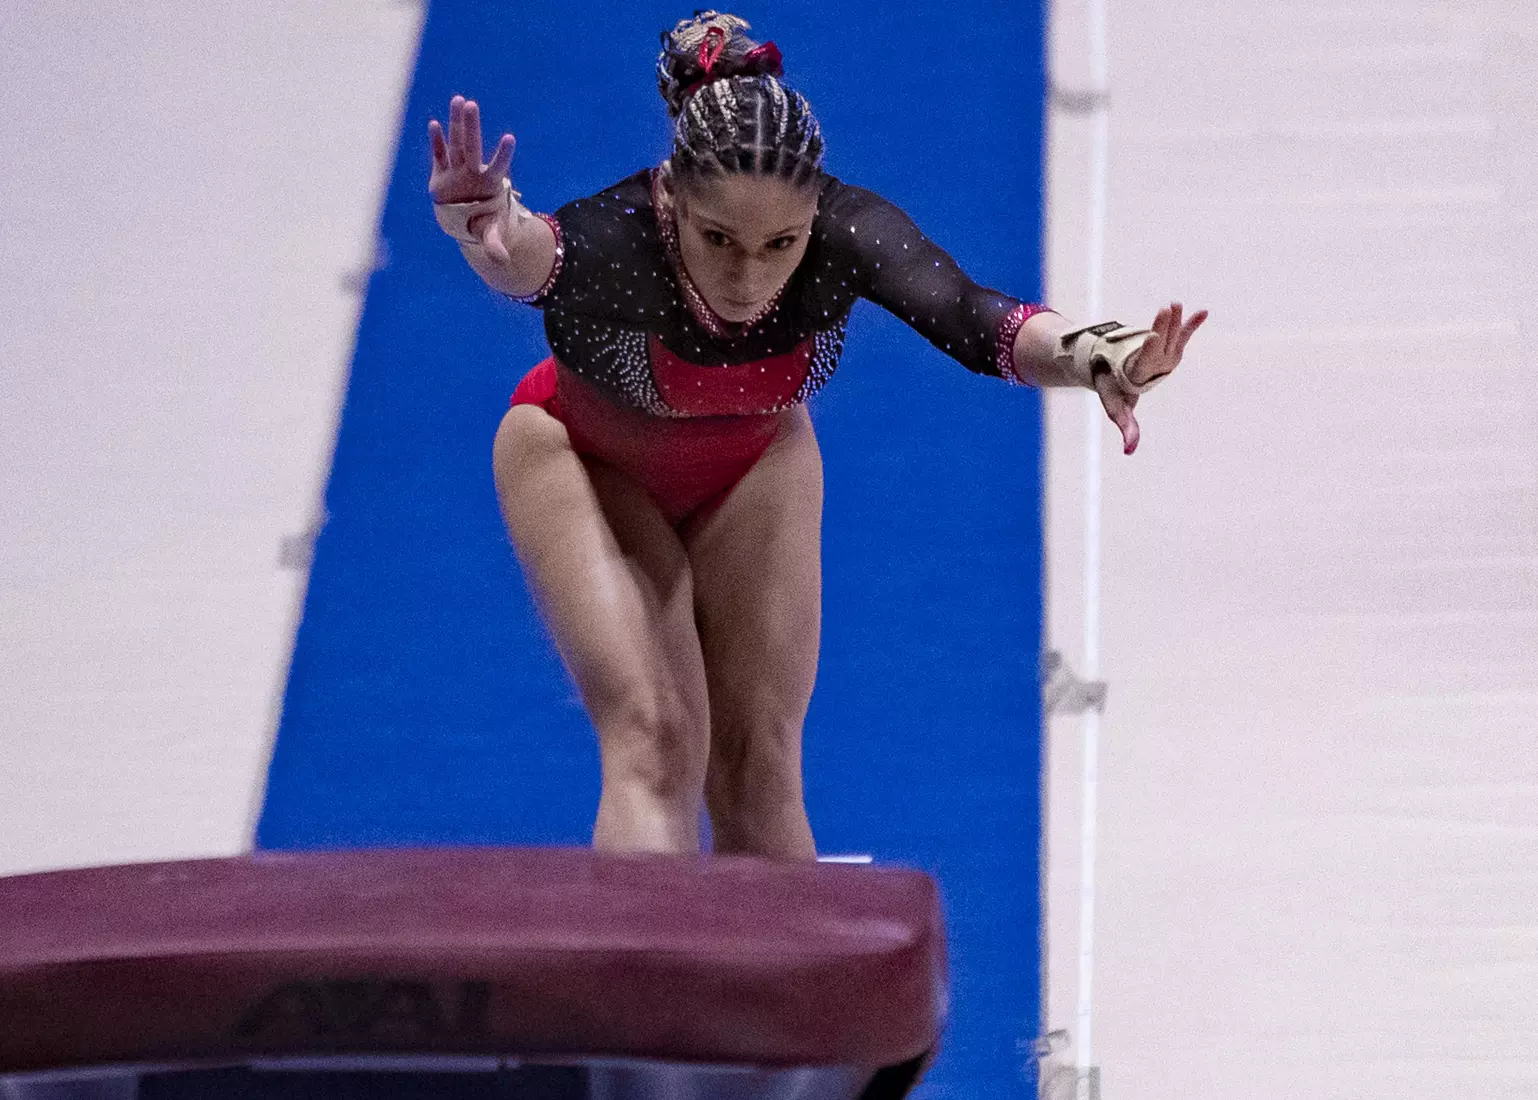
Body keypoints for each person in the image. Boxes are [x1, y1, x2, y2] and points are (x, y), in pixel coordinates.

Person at [428, 11, 1206, 861]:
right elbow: (532, 255)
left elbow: (973, 315)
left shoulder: (848, 233)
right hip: (582, 455)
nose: (747, 275)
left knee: (760, 768)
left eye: (781, 243)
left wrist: (1097, 354)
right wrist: (484, 227)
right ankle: (644, 954)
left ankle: (775, 956)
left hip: (754, 463)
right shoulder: (623, 235)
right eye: (718, 238)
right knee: (655, 740)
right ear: (673, 197)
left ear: (815, 215)